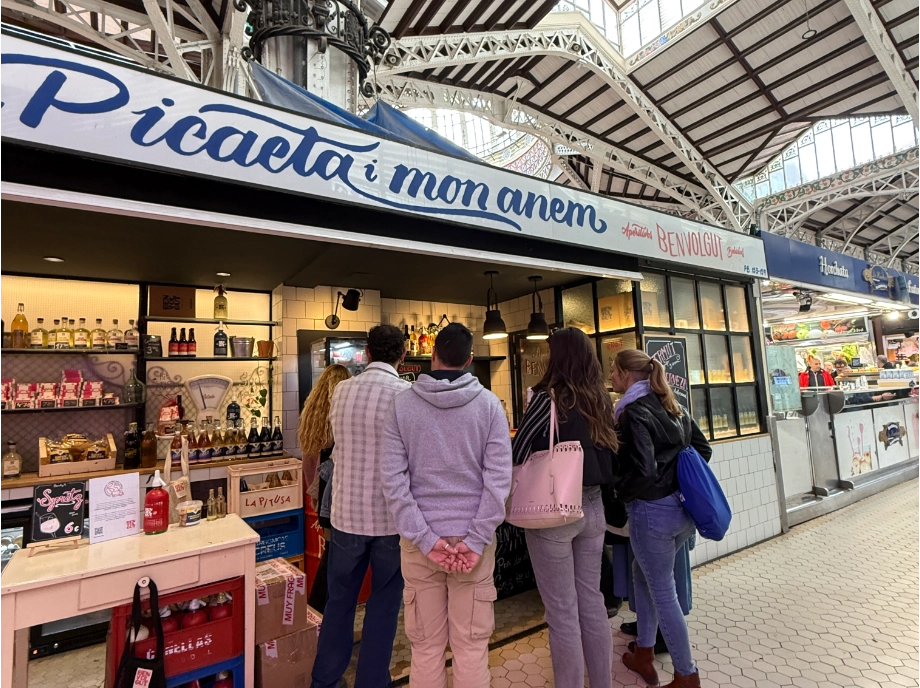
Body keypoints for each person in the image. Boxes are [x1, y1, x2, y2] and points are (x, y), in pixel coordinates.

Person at [381, 323, 512, 688]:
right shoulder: (489, 406)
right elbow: (499, 481)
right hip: (474, 546)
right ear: (470, 361)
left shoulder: (401, 404)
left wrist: (425, 539)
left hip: (420, 544)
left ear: (432, 354)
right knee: (470, 647)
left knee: (425, 649)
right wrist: (474, 539)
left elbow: (393, 481)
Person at [512, 327, 618, 688]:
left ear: (556, 357)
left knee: (561, 612)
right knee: (592, 601)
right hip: (594, 508)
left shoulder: (548, 398)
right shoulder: (601, 397)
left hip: (554, 510)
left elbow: (519, 450)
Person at [311, 325, 411, 688]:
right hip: (389, 520)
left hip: (346, 516)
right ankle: (372, 682)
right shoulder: (406, 394)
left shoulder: (342, 390)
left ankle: (325, 681)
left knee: (340, 603)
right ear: (402, 354)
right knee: (384, 605)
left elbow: (338, 443)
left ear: (367, 353)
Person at [611, 348, 712, 688]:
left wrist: (619, 494)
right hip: (682, 512)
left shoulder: (631, 412)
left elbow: (643, 469)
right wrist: (677, 482)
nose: (610, 378)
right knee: (644, 576)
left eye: (613, 371)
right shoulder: (671, 404)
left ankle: (686, 674)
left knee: (661, 591)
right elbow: (703, 449)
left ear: (627, 374)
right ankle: (643, 651)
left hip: (652, 513)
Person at [297, 363, 352, 613]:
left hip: (320, 495)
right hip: (339, 497)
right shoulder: (343, 414)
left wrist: (315, 495)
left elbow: (309, 463)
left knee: (332, 555)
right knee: (335, 562)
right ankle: (320, 613)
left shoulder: (312, 413)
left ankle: (321, 614)